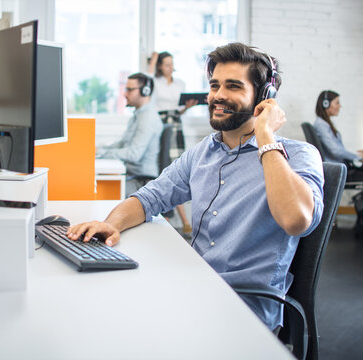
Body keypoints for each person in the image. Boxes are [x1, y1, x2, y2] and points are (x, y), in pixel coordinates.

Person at [68, 43, 325, 331]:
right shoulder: (203, 152)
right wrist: (112, 224)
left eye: (233, 86)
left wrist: (265, 135)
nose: (218, 95)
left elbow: (296, 220)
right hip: (195, 287)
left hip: (244, 311)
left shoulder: (300, 156)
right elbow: (149, 198)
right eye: (215, 85)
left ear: (265, 97)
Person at [313, 90, 363, 233]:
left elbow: (338, 150)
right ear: (326, 104)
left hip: (343, 167)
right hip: (342, 170)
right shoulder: (321, 125)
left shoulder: (325, 124)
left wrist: (359, 156)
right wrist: (359, 158)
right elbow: (336, 151)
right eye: (337, 102)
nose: (340, 106)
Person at [147, 51, 197, 235]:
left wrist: (187, 107)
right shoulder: (156, 82)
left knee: (178, 169)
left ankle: (182, 220)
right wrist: (152, 60)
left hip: (176, 124)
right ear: (160, 66)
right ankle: (179, 220)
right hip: (161, 125)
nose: (170, 67)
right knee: (165, 168)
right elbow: (148, 79)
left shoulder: (180, 83)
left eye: (171, 64)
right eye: (166, 64)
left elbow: (178, 111)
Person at [96, 73, 163, 197]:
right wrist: (99, 150)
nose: (125, 94)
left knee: (102, 191)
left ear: (145, 91)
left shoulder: (148, 117)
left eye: (129, 90)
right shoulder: (138, 115)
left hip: (141, 181)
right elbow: (122, 143)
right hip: (131, 176)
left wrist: (102, 153)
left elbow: (134, 154)